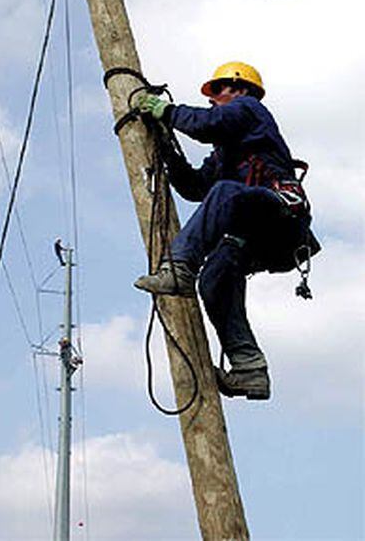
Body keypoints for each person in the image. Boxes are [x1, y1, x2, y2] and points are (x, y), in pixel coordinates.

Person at [134, 61, 320, 401]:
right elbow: (194, 187)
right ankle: (249, 368)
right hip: (256, 235)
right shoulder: (224, 154)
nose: (213, 98)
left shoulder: (250, 110)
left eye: (219, 90)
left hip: (282, 216)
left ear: (241, 89)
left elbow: (208, 125)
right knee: (214, 279)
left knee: (225, 194)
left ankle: (178, 268)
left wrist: (167, 111)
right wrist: (167, 149)